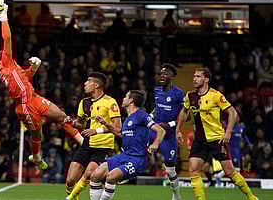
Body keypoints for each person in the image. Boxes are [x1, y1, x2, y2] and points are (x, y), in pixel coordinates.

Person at [0, 4, 82, 170]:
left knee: (62, 117)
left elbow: (24, 79)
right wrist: (4, 16)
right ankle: (35, 156)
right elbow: (7, 39)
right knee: (38, 135)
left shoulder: (9, 65)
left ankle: (84, 143)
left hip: (34, 97)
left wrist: (33, 68)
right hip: (25, 107)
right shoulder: (4, 64)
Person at [176, 68, 258, 200]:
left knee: (230, 172)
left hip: (217, 139)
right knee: (193, 170)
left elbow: (233, 113)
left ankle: (251, 197)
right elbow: (184, 112)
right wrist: (178, 130)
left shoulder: (215, 95)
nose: (194, 79)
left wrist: (228, 132)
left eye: (198, 76)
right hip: (200, 140)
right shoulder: (190, 96)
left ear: (206, 79)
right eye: (194, 76)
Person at [89, 90, 166, 200]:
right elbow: (120, 134)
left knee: (111, 177)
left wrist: (155, 144)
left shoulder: (141, 116)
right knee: (95, 175)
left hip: (137, 159)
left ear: (131, 100)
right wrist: (105, 123)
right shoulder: (128, 119)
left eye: (126, 96)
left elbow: (161, 131)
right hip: (124, 155)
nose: (123, 98)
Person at [65, 72, 122, 200]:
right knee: (70, 180)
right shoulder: (84, 102)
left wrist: (97, 131)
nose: (85, 84)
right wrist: (72, 122)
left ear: (96, 85)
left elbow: (118, 127)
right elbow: (80, 124)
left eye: (88, 81)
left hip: (103, 147)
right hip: (87, 144)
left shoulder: (110, 102)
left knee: (90, 173)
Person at [149, 63, 184, 200]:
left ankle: (176, 195)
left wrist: (170, 124)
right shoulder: (156, 91)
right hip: (156, 130)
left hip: (169, 136)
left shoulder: (178, 93)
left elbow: (185, 117)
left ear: (172, 77)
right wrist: (150, 117)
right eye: (161, 74)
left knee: (170, 169)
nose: (162, 76)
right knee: (137, 139)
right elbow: (156, 109)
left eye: (165, 74)